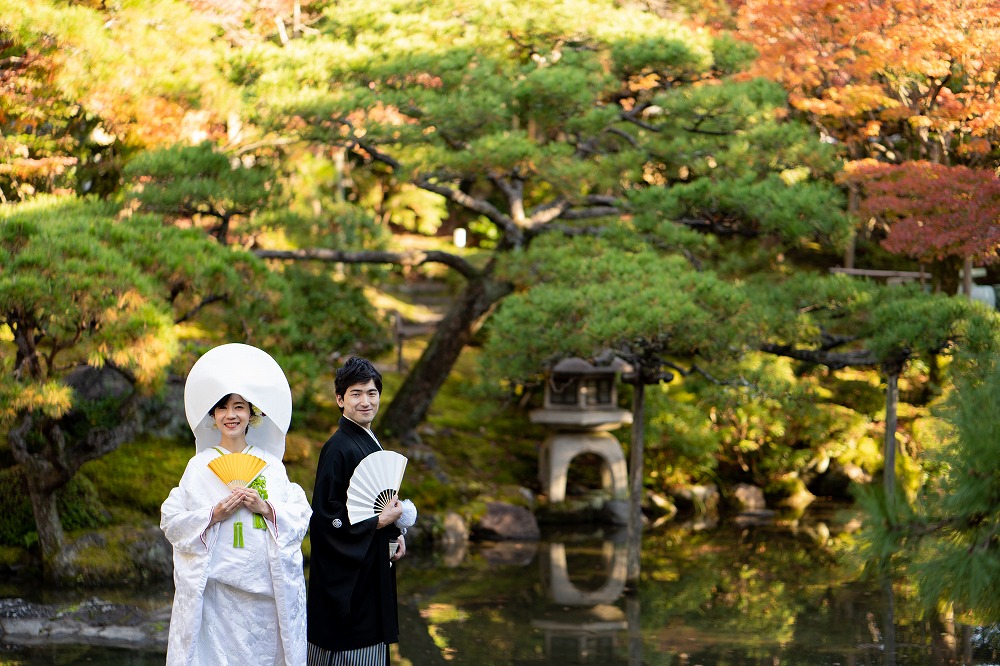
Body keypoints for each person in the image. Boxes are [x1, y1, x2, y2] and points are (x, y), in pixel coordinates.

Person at [161, 343, 312, 666]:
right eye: (223, 408)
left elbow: (300, 514)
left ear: (251, 415)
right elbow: (171, 520)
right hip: (217, 597)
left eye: (239, 407)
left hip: (264, 598)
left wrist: (266, 508)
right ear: (213, 416)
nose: (231, 415)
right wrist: (213, 514)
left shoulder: (270, 465)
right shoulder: (199, 467)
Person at [307, 357, 406, 666]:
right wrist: (378, 522)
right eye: (356, 393)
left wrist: (396, 533)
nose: (366, 401)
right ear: (340, 399)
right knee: (351, 644)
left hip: (371, 568)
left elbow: (380, 500)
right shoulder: (337, 447)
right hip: (350, 580)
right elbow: (326, 519)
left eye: (372, 393)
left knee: (372, 637)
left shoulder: (369, 441)